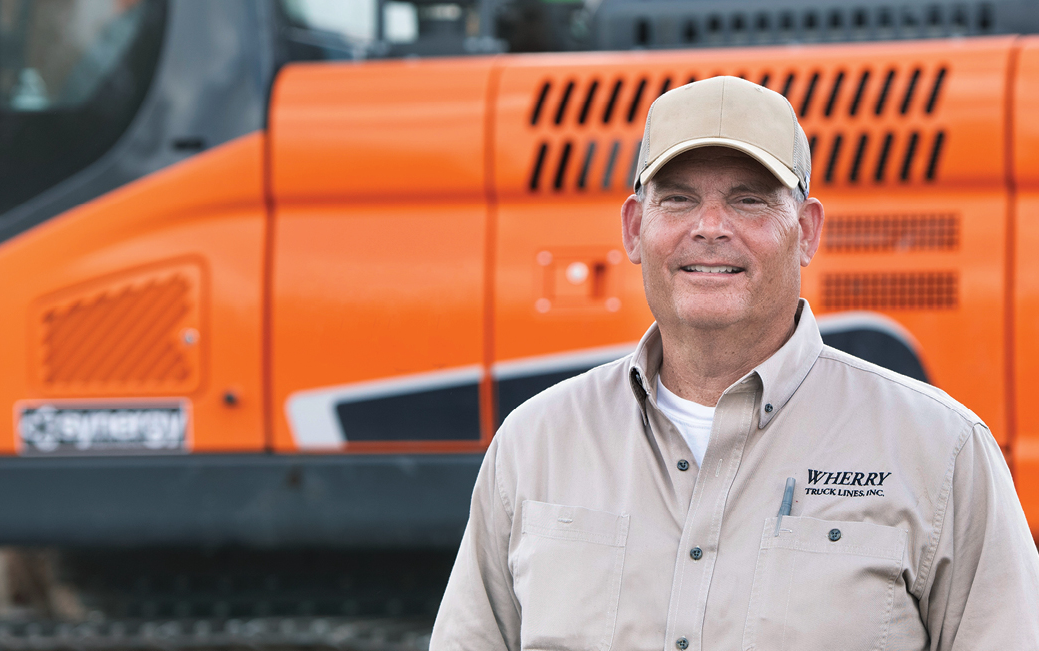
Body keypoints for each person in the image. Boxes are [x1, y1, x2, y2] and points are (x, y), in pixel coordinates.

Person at [430, 76, 1039, 650]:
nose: (711, 228)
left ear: (806, 231)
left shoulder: (942, 452)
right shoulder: (533, 446)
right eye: (679, 200)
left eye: (749, 200)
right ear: (635, 228)